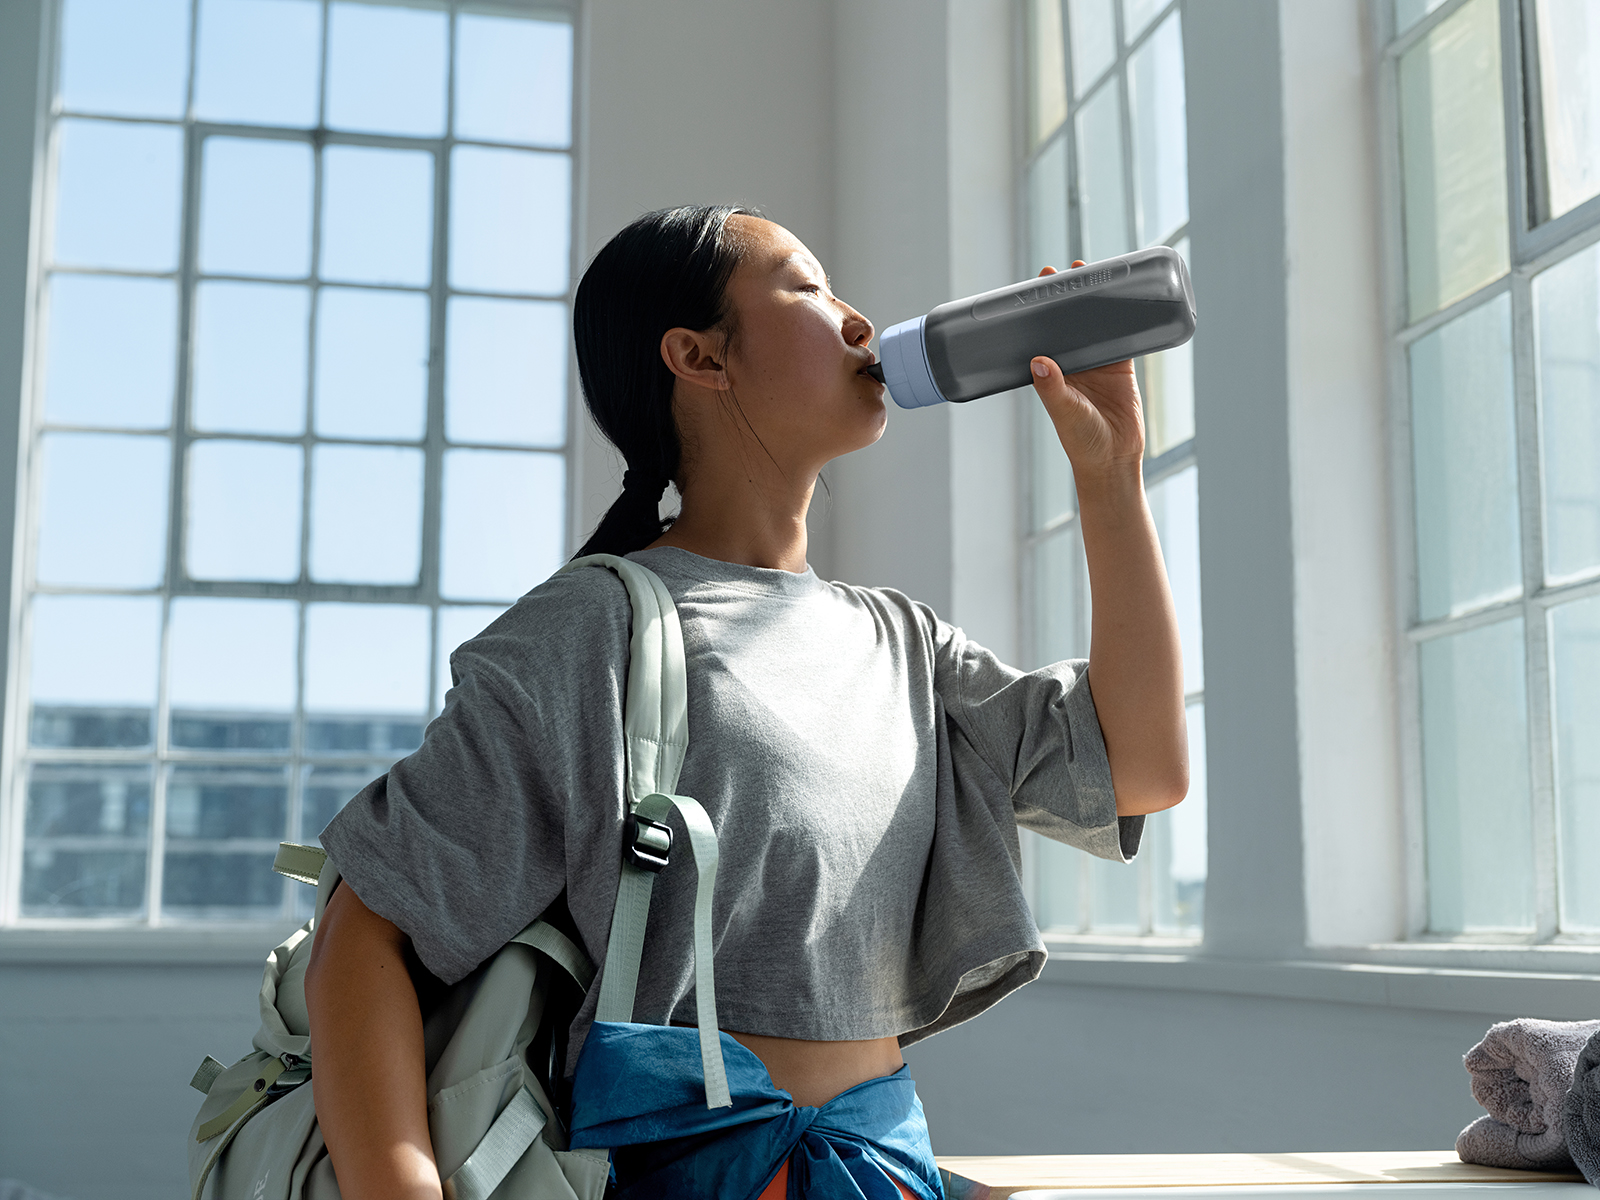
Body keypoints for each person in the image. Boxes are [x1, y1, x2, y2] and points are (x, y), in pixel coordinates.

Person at [303, 205, 1189, 1200]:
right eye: (807, 287)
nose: (860, 321)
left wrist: (1111, 476)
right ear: (699, 357)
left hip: (878, 1167)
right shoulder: (590, 629)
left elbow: (1142, 770)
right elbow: (363, 932)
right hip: (683, 1175)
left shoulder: (901, 639)